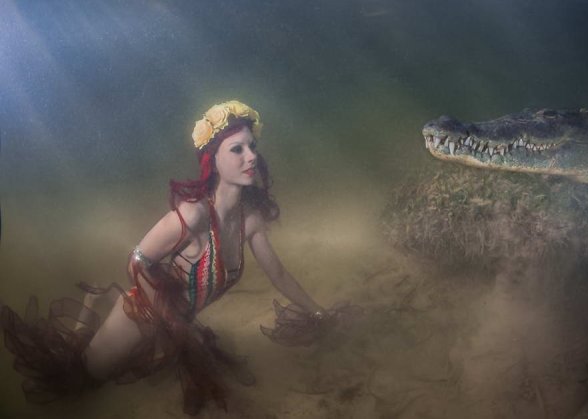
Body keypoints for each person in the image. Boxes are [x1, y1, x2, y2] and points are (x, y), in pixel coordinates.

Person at [0, 100, 351, 415]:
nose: (251, 156)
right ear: (212, 162)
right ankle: (95, 305)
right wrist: (174, 324)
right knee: (79, 382)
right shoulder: (194, 215)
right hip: (142, 315)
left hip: (175, 326)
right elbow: (137, 260)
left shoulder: (251, 221)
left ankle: (98, 301)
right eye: (237, 149)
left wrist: (318, 312)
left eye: (252, 146)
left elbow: (281, 276)